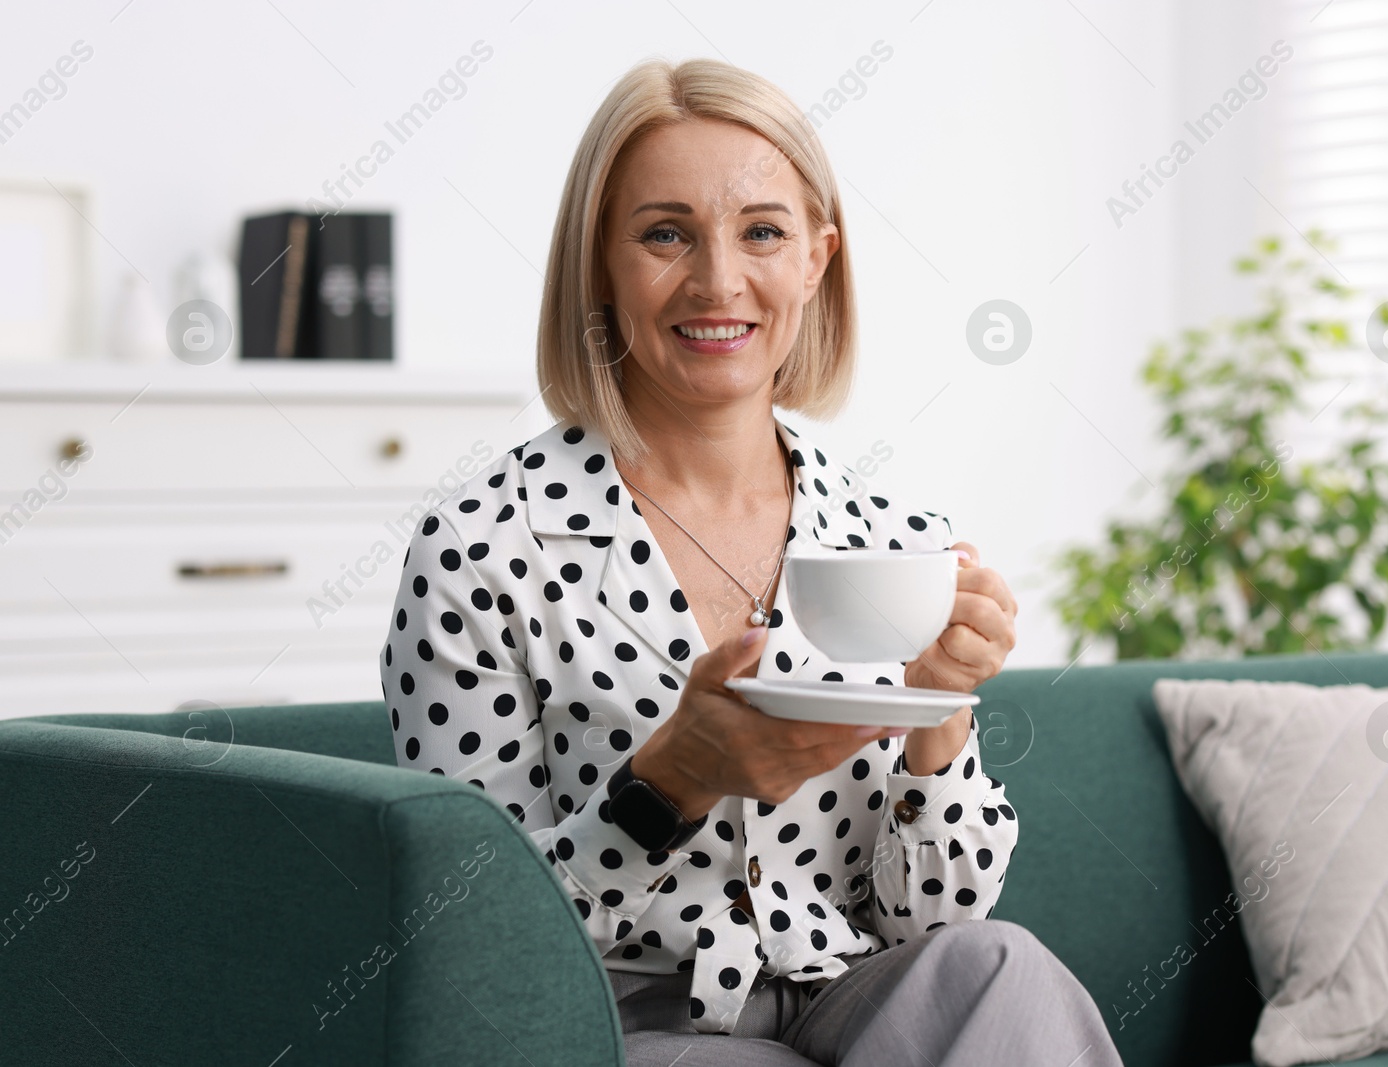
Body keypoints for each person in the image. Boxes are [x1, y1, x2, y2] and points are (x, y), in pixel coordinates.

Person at [379, 56, 1122, 1067]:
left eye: (761, 231)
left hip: (848, 999)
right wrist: (668, 781)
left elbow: (931, 920)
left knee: (1000, 969)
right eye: (665, 232)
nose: (718, 280)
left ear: (815, 260)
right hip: (621, 1024)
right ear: (601, 262)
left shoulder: (886, 535)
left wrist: (938, 712)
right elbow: (473, 934)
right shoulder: (482, 546)